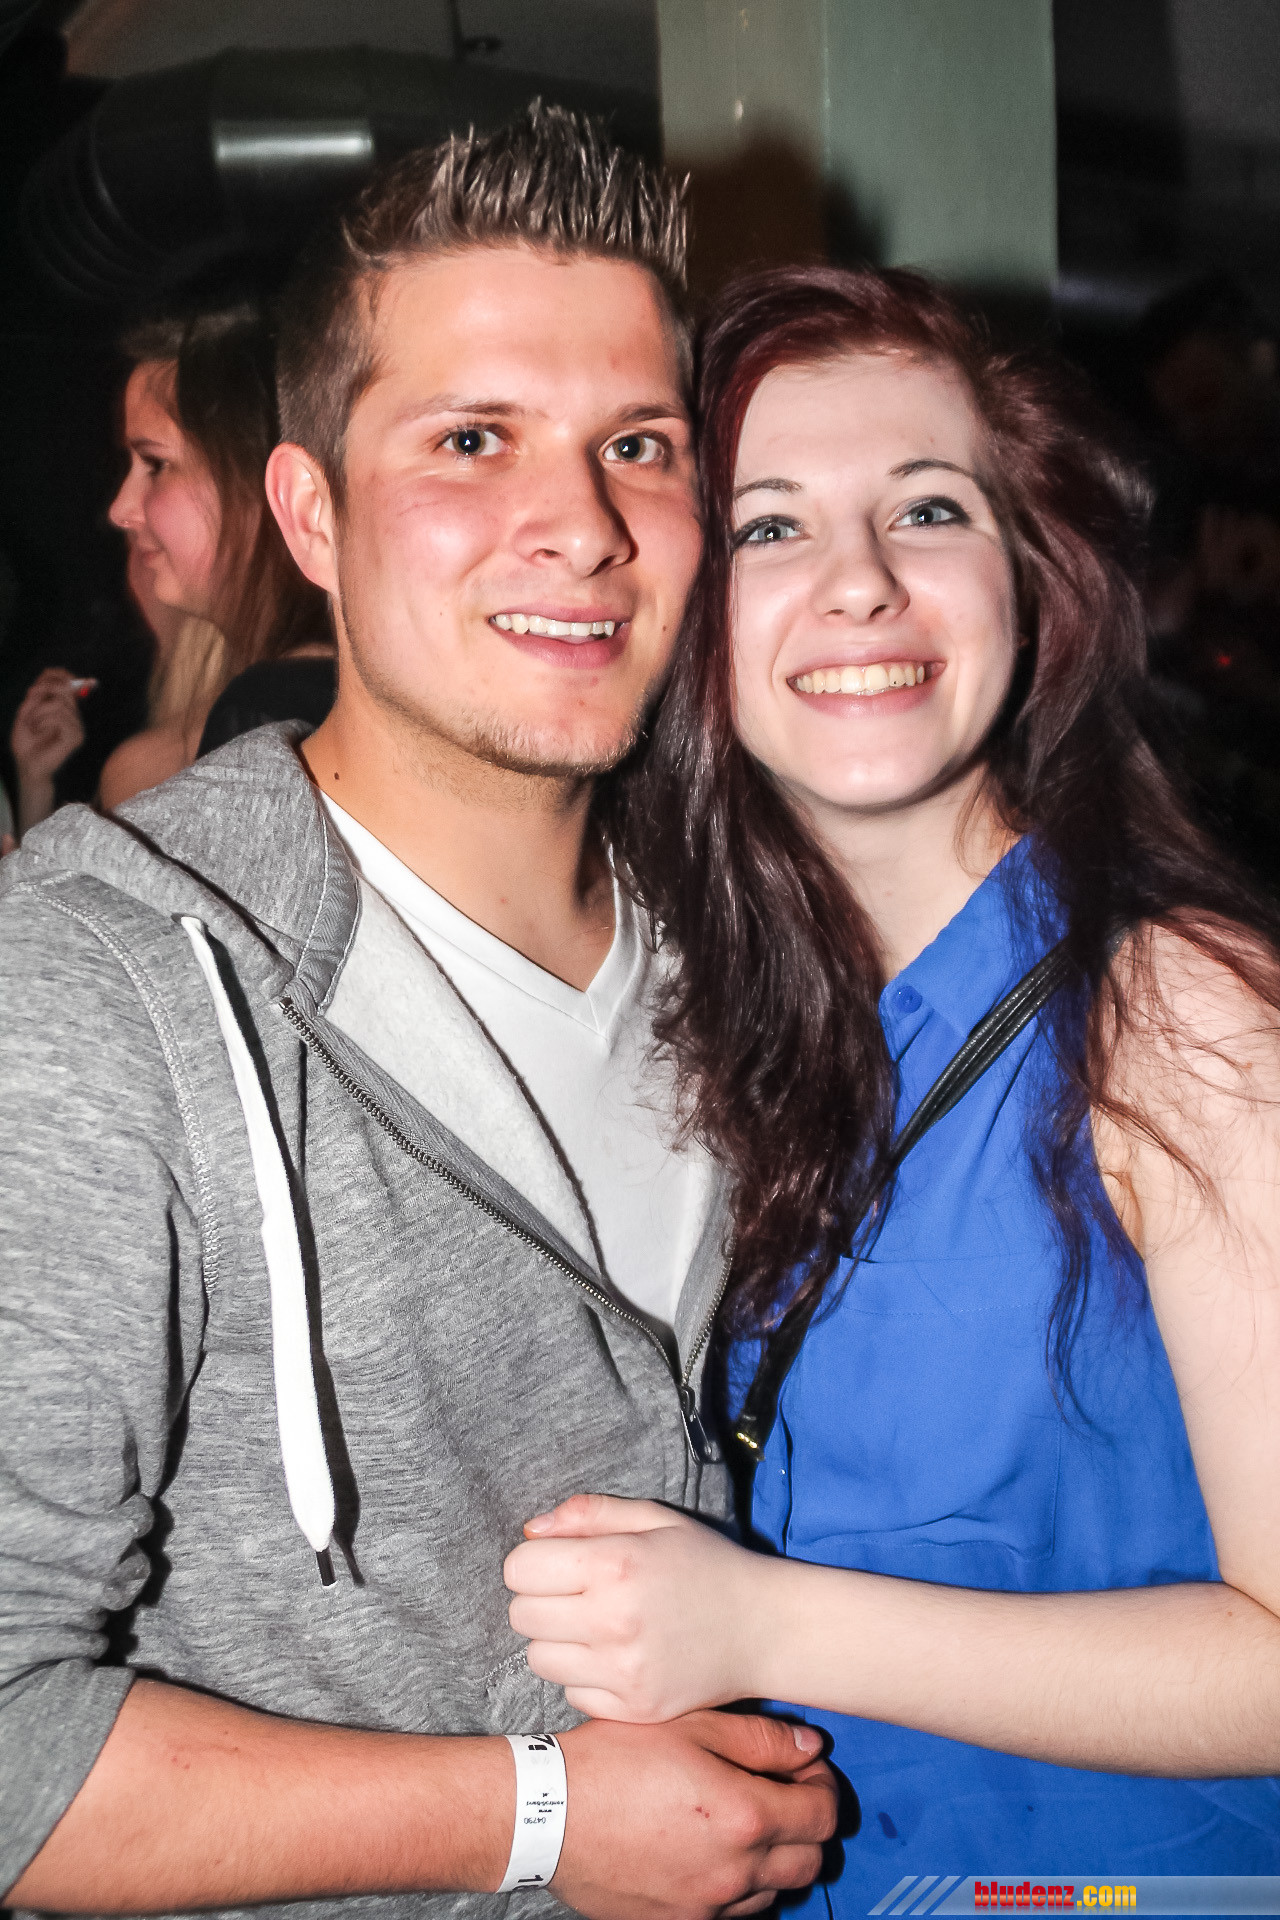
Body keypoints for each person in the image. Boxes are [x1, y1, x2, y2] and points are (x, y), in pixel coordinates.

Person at [0, 107, 835, 1917]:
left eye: (637, 446)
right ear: (311, 513)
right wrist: (536, 1818)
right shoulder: (101, 981)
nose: (583, 528)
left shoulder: (755, 942)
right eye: (473, 440)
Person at [504, 265, 1280, 1900]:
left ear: (1031, 579)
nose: (857, 583)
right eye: (771, 528)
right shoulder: (702, 1025)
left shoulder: (1178, 1011)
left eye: (927, 510)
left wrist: (765, 1623)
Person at [102, 300, 333, 806]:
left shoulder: (273, 712)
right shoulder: (315, 692)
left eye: (155, 464)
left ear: (263, 480)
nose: (121, 510)